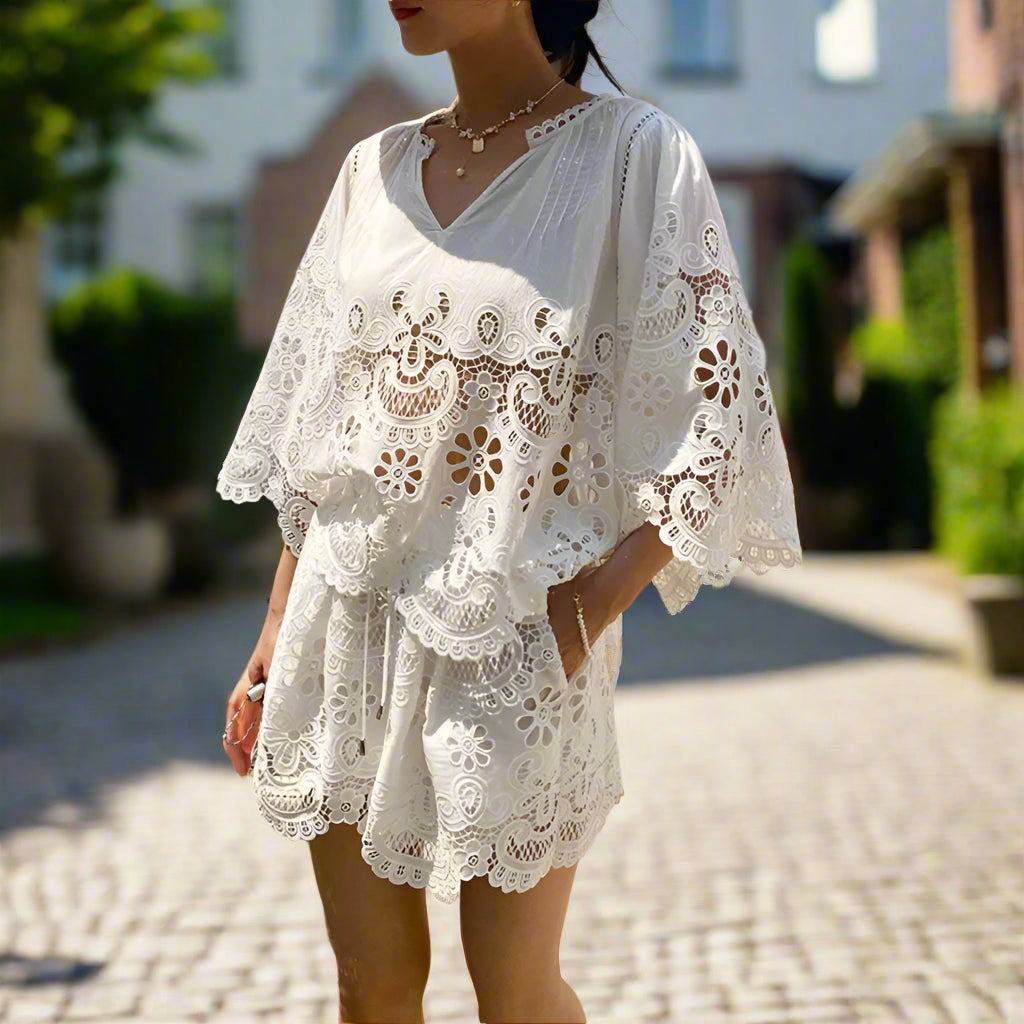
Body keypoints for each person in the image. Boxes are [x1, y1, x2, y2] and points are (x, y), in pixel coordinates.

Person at [217, 1, 803, 1021]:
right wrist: (274, 627)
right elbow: (321, 423)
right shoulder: (372, 170)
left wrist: (588, 609)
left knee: (514, 987)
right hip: (343, 622)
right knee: (369, 979)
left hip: (520, 631)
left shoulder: (634, 154)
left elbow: (719, 408)